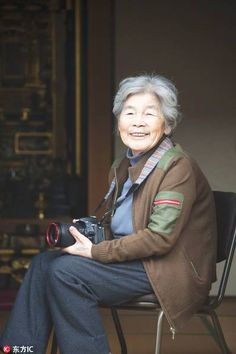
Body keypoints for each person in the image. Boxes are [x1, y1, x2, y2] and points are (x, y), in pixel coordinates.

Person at [0, 74, 217, 354]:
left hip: (166, 268)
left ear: (167, 124)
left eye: (149, 114)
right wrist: (87, 236)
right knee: (44, 263)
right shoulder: (123, 165)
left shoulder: (177, 167)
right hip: (136, 261)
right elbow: (124, 227)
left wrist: (95, 252)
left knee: (66, 273)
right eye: (129, 113)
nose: (138, 122)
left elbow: (159, 239)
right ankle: (18, 350)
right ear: (119, 122)